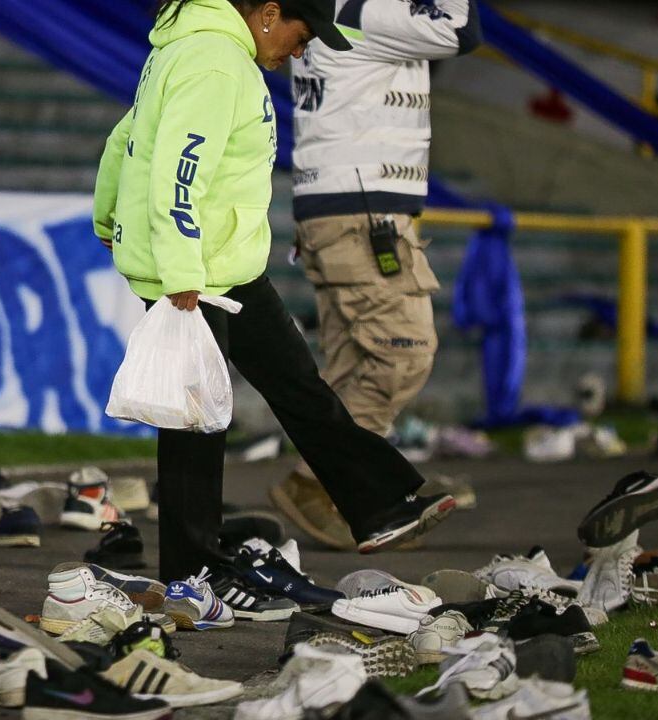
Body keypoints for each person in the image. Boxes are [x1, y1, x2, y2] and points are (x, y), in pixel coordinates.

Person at [92, 0, 455, 585]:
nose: (301, 50)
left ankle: (380, 503)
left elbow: (124, 139)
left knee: (294, 385)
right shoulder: (216, 62)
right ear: (268, 12)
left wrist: (107, 218)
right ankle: (192, 577)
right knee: (196, 425)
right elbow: (179, 169)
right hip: (199, 275)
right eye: (301, 33)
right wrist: (181, 270)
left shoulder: (196, 51)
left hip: (223, 267)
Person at [274, 0, 481, 549]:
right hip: (362, 212)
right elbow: (462, 27)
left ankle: (342, 495)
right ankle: (320, 483)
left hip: (339, 207)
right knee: (403, 352)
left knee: (352, 369)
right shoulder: (361, 7)